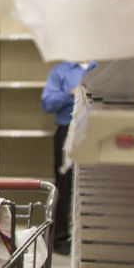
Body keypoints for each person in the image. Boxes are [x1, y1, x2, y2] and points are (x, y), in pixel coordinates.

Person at [40, 59, 94, 247]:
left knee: (95, 186)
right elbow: (47, 102)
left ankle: (90, 238)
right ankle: (61, 238)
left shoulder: (99, 69)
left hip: (95, 131)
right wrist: (70, 93)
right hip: (67, 130)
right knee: (64, 183)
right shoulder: (60, 72)